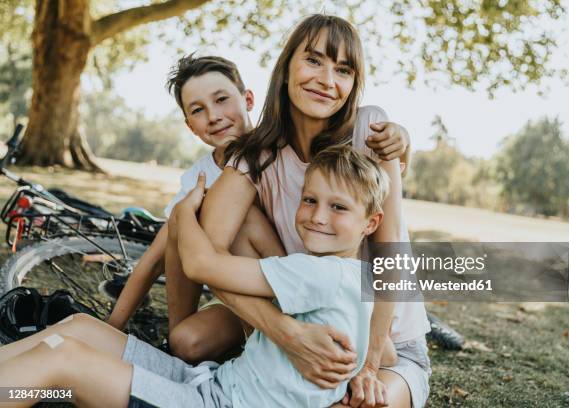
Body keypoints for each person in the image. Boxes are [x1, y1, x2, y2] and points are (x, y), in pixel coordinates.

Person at [166, 14, 430, 408]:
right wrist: (286, 334)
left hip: (389, 347)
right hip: (308, 319)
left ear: (353, 84)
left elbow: (389, 256)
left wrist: (370, 365)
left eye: (343, 70)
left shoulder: (371, 131)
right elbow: (206, 256)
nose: (327, 80)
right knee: (225, 227)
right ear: (286, 68)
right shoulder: (254, 156)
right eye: (313, 61)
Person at [0, 145, 392, 408]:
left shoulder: (320, 272)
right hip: (214, 383)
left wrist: (185, 212)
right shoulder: (355, 277)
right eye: (310, 200)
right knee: (80, 327)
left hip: (217, 404)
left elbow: (202, 264)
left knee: (63, 359)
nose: (318, 216)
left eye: (338, 207)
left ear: (370, 223)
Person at [105, 52, 411, 363]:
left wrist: (404, 142)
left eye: (222, 99)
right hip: (246, 289)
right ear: (189, 125)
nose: (214, 115)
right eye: (198, 110)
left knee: (225, 219)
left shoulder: (279, 145)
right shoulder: (200, 176)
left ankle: (275, 343)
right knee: (185, 339)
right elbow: (159, 254)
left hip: (299, 277)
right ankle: (180, 350)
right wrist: (113, 326)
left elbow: (372, 179)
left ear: (248, 99)